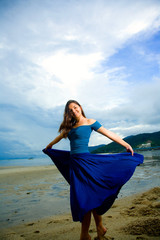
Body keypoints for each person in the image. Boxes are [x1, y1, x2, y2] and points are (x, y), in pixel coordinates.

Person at [43, 100, 143, 240]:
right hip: (75, 166)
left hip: (87, 164)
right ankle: (100, 228)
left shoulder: (90, 122)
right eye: (70, 110)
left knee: (85, 199)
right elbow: (59, 137)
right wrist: (49, 146)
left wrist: (125, 144)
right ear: (68, 113)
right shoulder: (70, 127)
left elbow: (108, 133)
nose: (73, 111)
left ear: (80, 108)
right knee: (90, 197)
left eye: (75, 108)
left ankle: (84, 235)